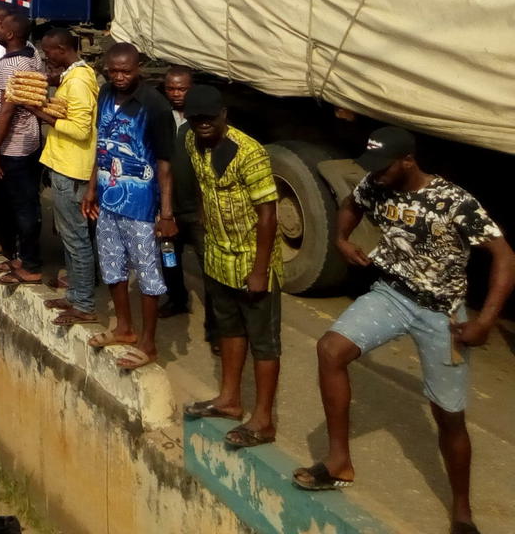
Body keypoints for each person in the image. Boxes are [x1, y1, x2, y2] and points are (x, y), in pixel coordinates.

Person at [294, 126, 514, 532]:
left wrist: (484, 321)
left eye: (382, 167)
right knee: (330, 349)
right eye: (371, 167)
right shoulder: (374, 182)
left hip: (442, 312)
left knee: (449, 415)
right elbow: (350, 203)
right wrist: (341, 239)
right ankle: (339, 461)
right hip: (391, 294)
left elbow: (503, 255)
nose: (373, 175)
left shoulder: (453, 200)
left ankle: (462, 513)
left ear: (408, 162)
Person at [177, 86, 282, 450]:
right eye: (195, 119)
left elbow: (268, 214)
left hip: (252, 258)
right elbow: (204, 187)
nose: (202, 125)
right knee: (228, 329)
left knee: (264, 343)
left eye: (209, 118)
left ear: (224, 115)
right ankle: (229, 399)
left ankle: (264, 420)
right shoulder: (191, 141)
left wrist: (259, 269)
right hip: (218, 255)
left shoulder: (249, 153)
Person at [83, 43, 175, 370]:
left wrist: (166, 213)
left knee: (148, 274)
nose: (120, 77)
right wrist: (92, 188)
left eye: (127, 71)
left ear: (139, 69)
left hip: (141, 206)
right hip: (108, 200)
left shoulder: (155, 106)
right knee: (111, 265)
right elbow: (102, 144)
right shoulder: (105, 94)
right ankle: (124, 327)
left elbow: (165, 165)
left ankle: (149, 345)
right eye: (114, 71)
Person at [18, 27, 100, 325]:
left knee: (76, 238)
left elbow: (80, 130)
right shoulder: (76, 76)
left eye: (49, 51)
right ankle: (75, 296)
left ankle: (84, 303)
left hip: (71, 168)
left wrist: (39, 113)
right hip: (64, 165)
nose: (45, 57)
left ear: (62, 49)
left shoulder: (78, 83)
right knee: (70, 236)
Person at [0, 12, 44, 285]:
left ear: (9, 35)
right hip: (28, 141)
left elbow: (7, 110)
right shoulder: (31, 54)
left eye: (1, 26)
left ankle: (30, 265)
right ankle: (21, 256)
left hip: (13, 146)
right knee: (21, 203)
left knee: (23, 206)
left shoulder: (11, 66)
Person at [158, 64, 209, 327]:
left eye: (182, 89)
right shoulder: (161, 117)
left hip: (197, 209)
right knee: (168, 258)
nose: (176, 93)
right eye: (171, 88)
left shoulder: (203, 121)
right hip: (168, 207)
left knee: (208, 267)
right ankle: (176, 299)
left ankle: (216, 325)